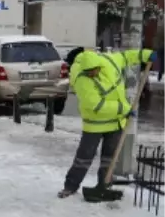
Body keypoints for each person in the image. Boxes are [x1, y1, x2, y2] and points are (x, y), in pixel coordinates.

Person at [59, 45, 157, 198]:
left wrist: (145, 54)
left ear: (98, 64)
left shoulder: (109, 60)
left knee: (109, 158)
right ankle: (70, 187)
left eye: (94, 70)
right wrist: (124, 109)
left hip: (115, 122)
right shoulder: (81, 78)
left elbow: (127, 57)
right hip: (94, 124)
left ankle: (104, 185)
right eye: (89, 72)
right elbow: (96, 105)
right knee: (84, 158)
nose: (92, 74)